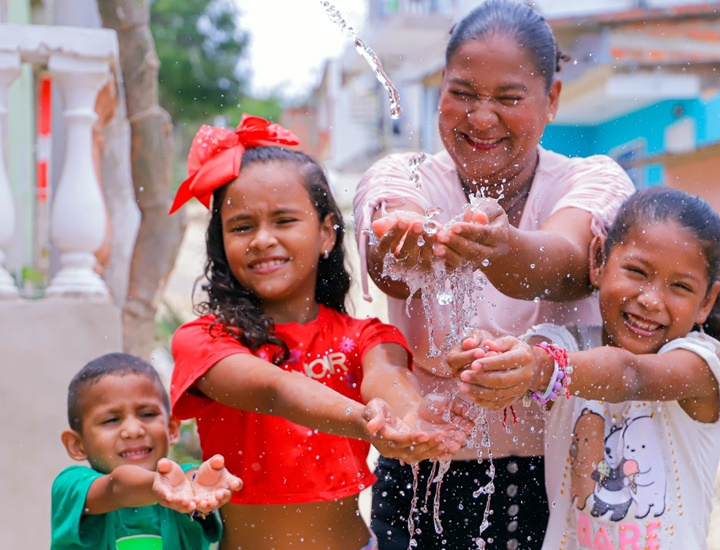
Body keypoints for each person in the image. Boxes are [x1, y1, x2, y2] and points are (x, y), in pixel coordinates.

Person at [353, 1, 635, 547]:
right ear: (439, 90)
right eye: (462, 94)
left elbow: (567, 266)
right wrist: (406, 248)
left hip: (565, 474)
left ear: (551, 99)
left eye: (508, 98)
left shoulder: (593, 180)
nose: (482, 117)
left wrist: (499, 248)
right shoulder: (402, 175)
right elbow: (383, 261)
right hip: (426, 476)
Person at [168, 115, 472, 549]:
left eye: (284, 220)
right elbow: (275, 390)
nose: (261, 239)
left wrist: (409, 417)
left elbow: (387, 380)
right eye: (241, 226)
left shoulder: (366, 336)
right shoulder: (205, 340)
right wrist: (367, 423)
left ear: (327, 233)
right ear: (222, 242)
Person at [450, 187, 720, 549]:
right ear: (600, 260)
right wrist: (488, 357)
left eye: (679, 286)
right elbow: (528, 356)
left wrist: (541, 367)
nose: (650, 300)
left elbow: (630, 375)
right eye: (636, 271)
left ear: (705, 302)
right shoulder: (566, 344)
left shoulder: (699, 363)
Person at [52, 352, 242, 549]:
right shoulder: (71, 488)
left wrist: (199, 486)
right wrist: (158, 485)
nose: (134, 431)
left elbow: (191, 480)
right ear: (77, 444)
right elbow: (117, 487)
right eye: (111, 420)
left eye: (147, 414)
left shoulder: (181, 490)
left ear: (171, 429)